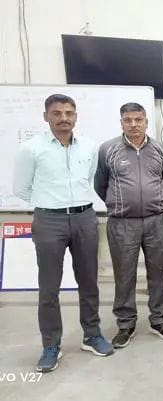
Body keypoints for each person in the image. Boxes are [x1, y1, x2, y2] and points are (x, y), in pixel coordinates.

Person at [13, 94, 114, 372]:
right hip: (49, 221)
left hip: (84, 218)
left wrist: (74, 206)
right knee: (49, 287)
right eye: (57, 113)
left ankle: (92, 335)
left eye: (69, 113)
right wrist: (50, 204)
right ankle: (51, 345)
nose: (63, 118)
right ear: (46, 116)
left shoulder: (89, 147)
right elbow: (21, 188)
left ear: (76, 117)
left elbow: (89, 178)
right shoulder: (31, 149)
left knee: (89, 282)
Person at [94, 102, 163, 347]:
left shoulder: (160, 149)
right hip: (122, 223)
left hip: (157, 221)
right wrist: (123, 205)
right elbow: (101, 185)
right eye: (128, 120)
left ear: (146, 122)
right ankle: (125, 324)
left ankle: (159, 320)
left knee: (159, 273)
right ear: (121, 123)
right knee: (124, 275)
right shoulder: (108, 150)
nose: (133, 125)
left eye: (138, 120)